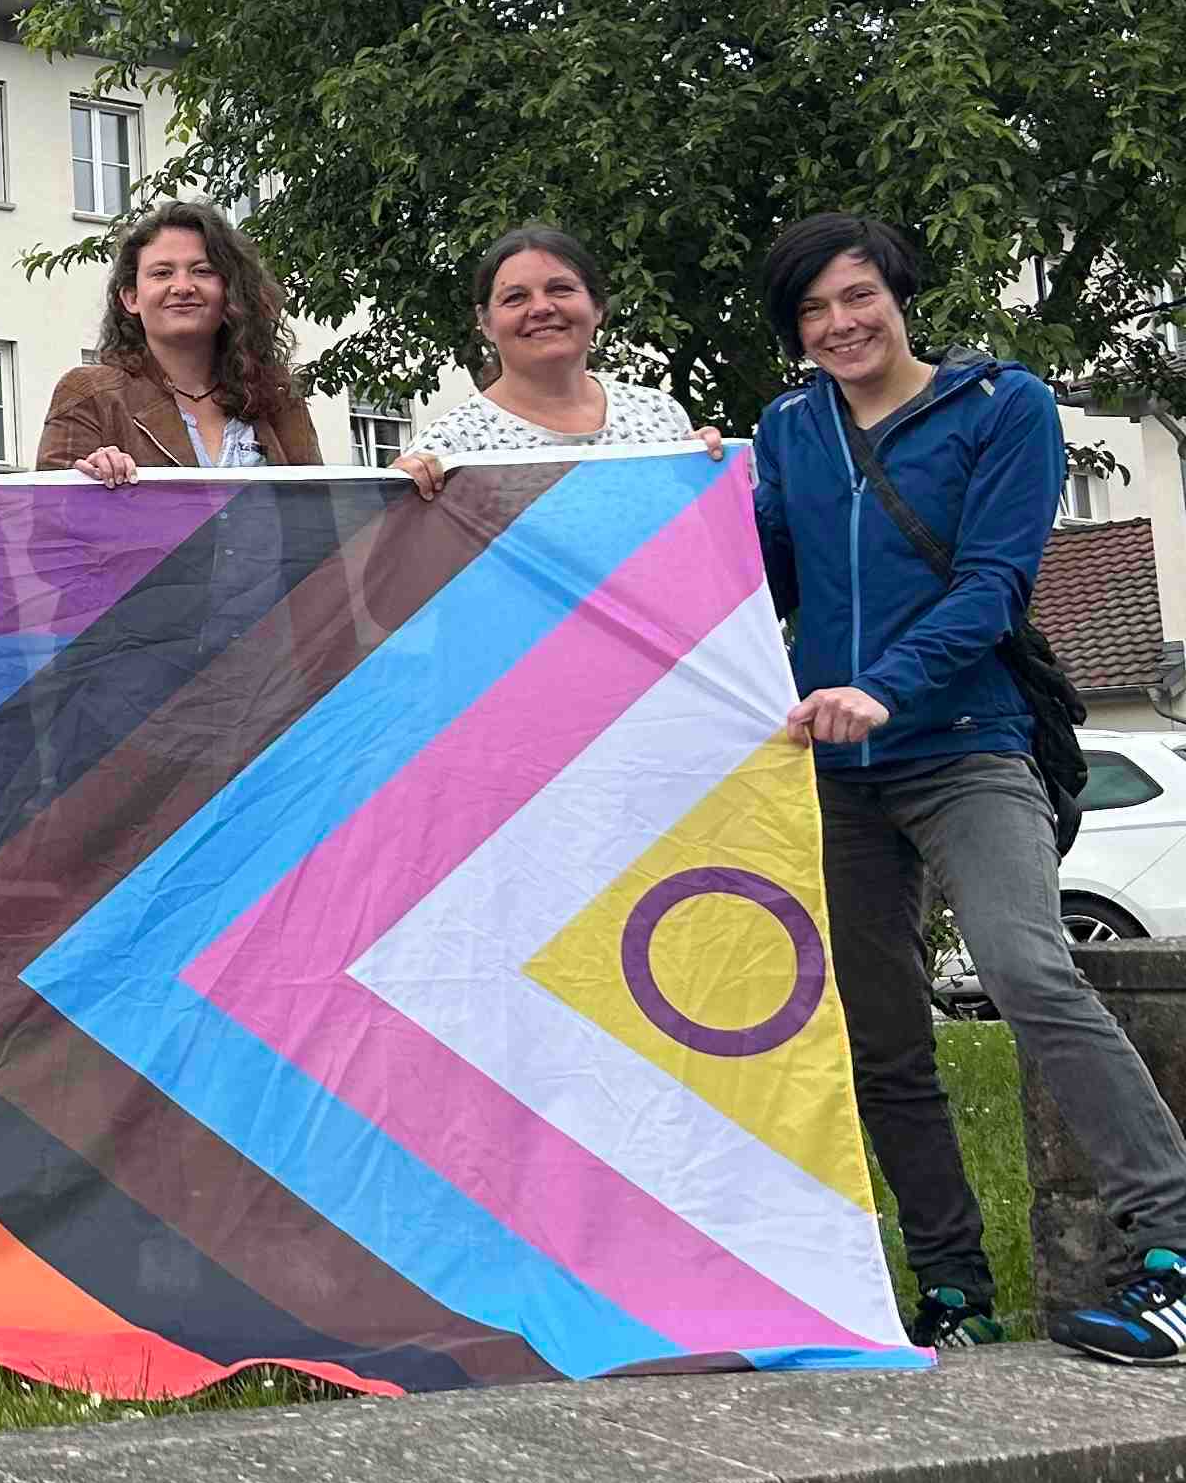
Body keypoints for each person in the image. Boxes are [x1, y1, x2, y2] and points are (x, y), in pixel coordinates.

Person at [752, 213, 1186, 1363]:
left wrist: (884, 686)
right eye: (812, 310)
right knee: (879, 1030)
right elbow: (752, 577)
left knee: (1022, 965)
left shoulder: (1004, 407)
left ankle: (1174, 1236)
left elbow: (995, 583)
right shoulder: (789, 428)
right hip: (836, 772)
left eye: (858, 297)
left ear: (899, 296)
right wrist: (681, 491)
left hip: (964, 745)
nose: (839, 323)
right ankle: (952, 1282)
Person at [394, 225, 718, 495]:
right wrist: (390, 501)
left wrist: (716, 472)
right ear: (486, 322)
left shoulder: (658, 416)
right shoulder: (449, 448)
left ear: (598, 307)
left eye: (561, 289)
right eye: (515, 297)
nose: (541, 308)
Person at [36, 199, 323, 482]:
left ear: (230, 291)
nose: (183, 287)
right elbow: (52, 521)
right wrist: (96, 482)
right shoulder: (91, 395)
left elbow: (322, 521)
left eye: (203, 271)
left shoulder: (278, 399)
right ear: (131, 298)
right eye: (162, 273)